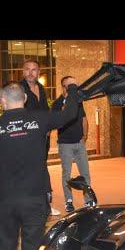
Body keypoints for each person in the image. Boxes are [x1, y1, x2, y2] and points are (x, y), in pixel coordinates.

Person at [0, 81, 82, 250]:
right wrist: (74, 92)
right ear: (25, 99)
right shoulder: (40, 119)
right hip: (35, 197)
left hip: (6, 200)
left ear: (3, 101)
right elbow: (69, 114)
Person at [20, 59, 60, 216]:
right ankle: (38, 204)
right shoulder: (18, 88)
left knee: (41, 166)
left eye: (34, 69)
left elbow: (45, 110)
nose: (30, 72)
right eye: (27, 69)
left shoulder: (41, 88)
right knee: (31, 169)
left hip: (43, 136)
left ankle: (44, 204)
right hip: (27, 137)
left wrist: (48, 126)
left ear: (38, 72)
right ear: (23, 71)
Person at [51, 75, 92, 213]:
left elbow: (84, 119)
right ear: (64, 87)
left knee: (85, 173)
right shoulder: (57, 104)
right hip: (65, 144)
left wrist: (85, 136)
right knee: (66, 175)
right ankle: (68, 202)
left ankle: (88, 200)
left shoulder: (78, 102)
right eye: (71, 86)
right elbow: (56, 121)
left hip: (79, 143)